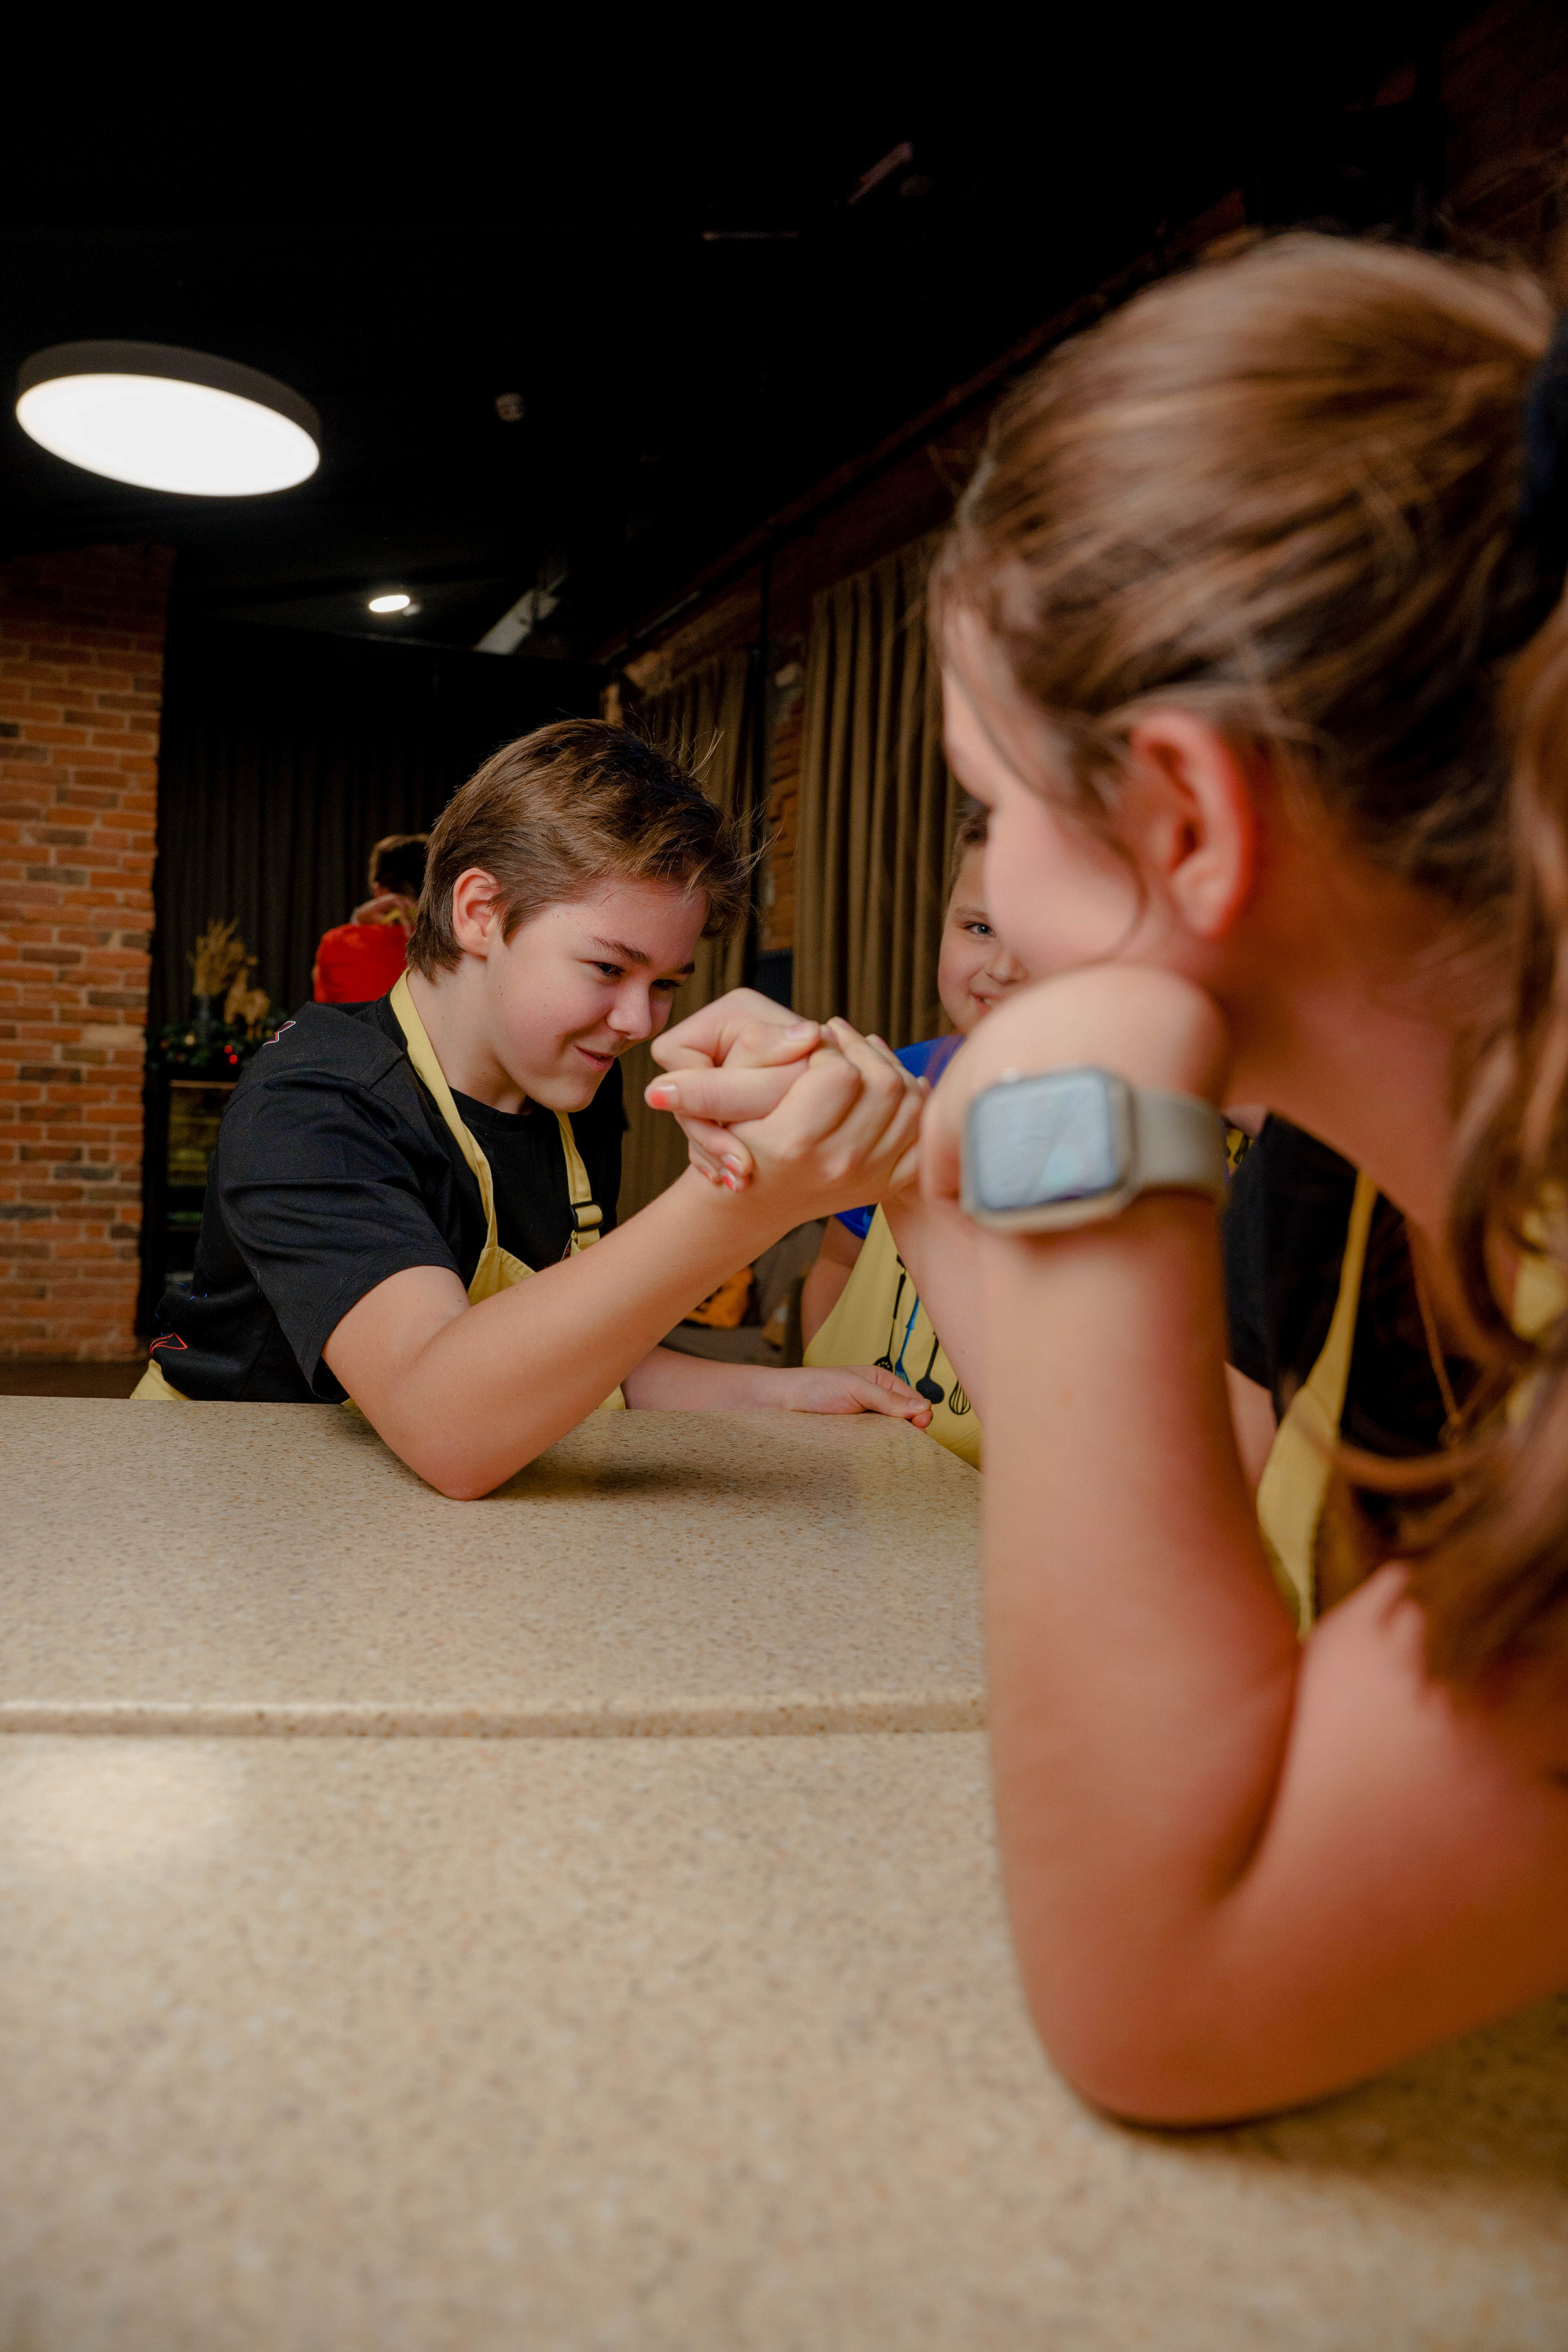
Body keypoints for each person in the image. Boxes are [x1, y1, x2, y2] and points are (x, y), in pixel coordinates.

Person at [648, 235, 1568, 2125]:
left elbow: (1173, 1986)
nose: (982, 873)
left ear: (1182, 820)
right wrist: (904, 1160)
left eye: (988, 804)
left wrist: (1072, 1104)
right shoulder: (1389, 1187)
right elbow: (1159, 1484)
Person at [136, 721, 933, 1490]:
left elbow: (561, 1347)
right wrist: (749, 1198)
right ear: (479, 911)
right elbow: (446, 1425)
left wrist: (776, 1391)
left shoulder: (568, 1081)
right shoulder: (312, 1108)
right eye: (605, 968)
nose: (637, 1023)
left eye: (663, 985)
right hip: (236, 1503)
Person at [797, 802, 1028, 1466]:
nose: (1004, 967)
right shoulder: (902, 1076)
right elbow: (838, 1260)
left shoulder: (1126, 1127)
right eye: (978, 927)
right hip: (857, 1454)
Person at [312, 832, 429, 1004]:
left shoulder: (337, 944)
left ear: (379, 891)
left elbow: (327, 1016)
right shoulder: (460, 946)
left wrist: (358, 918)